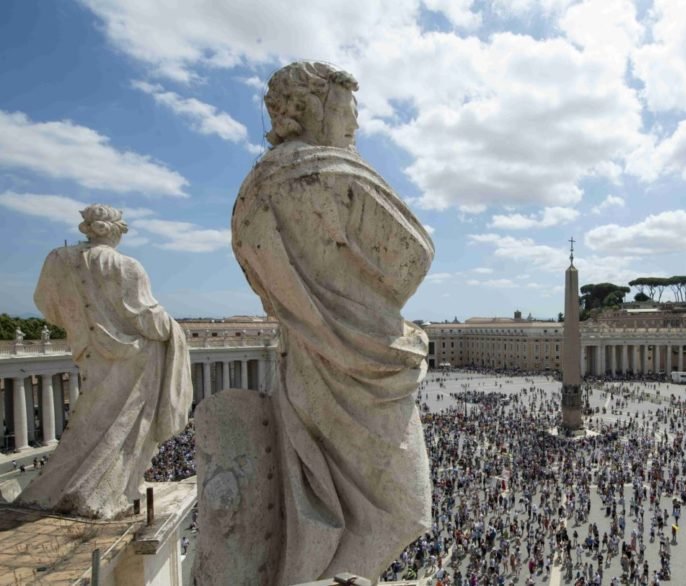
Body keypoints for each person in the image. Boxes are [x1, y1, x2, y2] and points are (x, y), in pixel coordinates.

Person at [228, 61, 434, 583]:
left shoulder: (249, 196)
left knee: (318, 512)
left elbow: (263, 285)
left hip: (303, 368)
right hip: (364, 370)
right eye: (348, 109)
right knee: (402, 514)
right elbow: (412, 257)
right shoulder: (333, 171)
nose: (356, 125)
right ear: (313, 108)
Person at [17, 204, 192, 518]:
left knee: (89, 420)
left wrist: (78, 325)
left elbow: (45, 302)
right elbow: (147, 317)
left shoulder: (58, 259)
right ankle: (105, 491)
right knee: (121, 425)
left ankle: (68, 489)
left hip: (89, 350)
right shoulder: (126, 266)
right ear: (116, 231)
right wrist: (174, 329)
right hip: (134, 358)